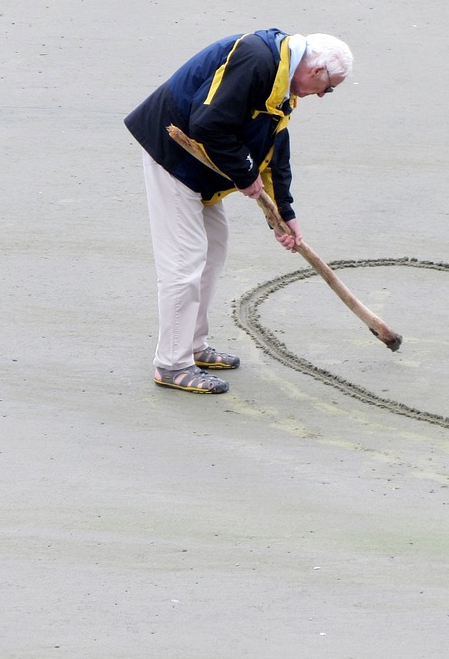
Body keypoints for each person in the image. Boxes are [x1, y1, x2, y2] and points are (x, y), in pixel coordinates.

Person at [125, 29, 352, 394]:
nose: (324, 95)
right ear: (317, 70)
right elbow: (207, 124)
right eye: (329, 87)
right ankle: (171, 363)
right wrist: (246, 177)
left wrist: (283, 214)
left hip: (201, 168)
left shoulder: (282, 81)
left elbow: (274, 145)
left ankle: (193, 347)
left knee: (214, 248)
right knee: (184, 262)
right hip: (172, 156)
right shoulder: (257, 59)